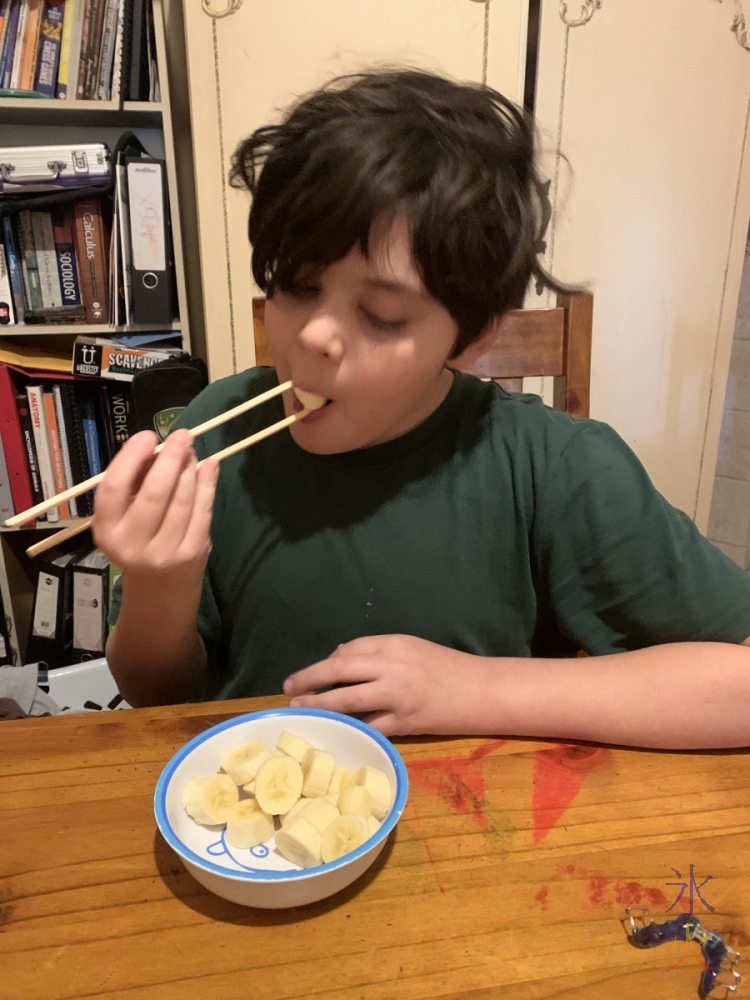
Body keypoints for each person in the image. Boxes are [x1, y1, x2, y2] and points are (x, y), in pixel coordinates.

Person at [96, 68, 750, 748]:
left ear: (473, 336)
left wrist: (481, 690)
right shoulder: (217, 431)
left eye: (381, 315)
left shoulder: (556, 468)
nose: (315, 335)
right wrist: (158, 583)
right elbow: (156, 694)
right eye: (296, 284)